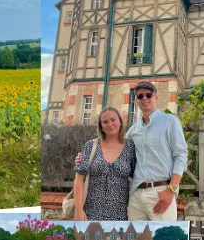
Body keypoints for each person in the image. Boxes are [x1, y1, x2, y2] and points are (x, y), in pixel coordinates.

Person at [74, 81, 187, 220]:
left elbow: (181, 155)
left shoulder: (170, 121)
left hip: (160, 192)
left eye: (148, 95)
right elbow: (118, 149)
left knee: (164, 239)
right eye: (140, 96)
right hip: (136, 197)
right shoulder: (133, 132)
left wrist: (172, 190)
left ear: (155, 98)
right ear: (136, 101)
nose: (144, 98)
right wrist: (81, 158)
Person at [74, 107, 135, 221]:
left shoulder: (130, 147)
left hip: (122, 213)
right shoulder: (91, 146)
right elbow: (79, 179)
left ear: (120, 122)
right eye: (105, 122)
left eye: (113, 119)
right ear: (101, 126)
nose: (110, 124)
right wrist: (78, 211)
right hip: (91, 212)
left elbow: (137, 175)